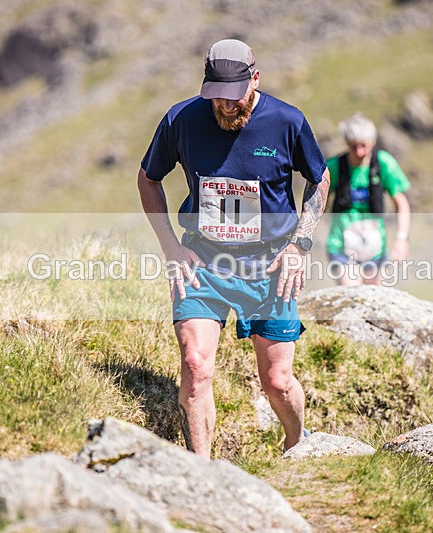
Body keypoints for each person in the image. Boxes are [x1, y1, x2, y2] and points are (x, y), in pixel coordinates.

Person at [137, 39, 330, 459]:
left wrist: (300, 245)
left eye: (235, 96)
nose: (225, 106)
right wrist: (170, 246)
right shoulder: (181, 120)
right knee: (195, 365)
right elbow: (148, 178)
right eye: (216, 97)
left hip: (270, 265)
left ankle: (297, 443)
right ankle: (201, 473)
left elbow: (320, 179)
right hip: (203, 261)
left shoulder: (287, 121)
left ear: (255, 79)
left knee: (277, 381)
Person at [326, 113, 411, 285]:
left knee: (374, 300)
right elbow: (317, 204)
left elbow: (401, 202)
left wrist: (402, 238)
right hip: (341, 247)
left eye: (363, 146)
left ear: (372, 142)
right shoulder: (334, 167)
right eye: (353, 146)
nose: (359, 152)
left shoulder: (384, 164)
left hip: (374, 250)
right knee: (351, 296)